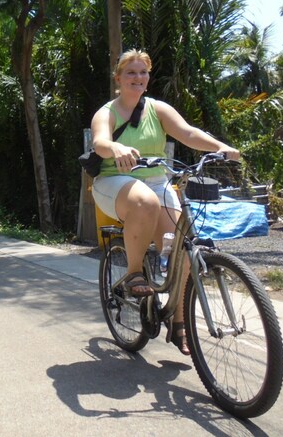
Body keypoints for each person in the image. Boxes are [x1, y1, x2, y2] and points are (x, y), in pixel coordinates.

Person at [89, 49, 239, 355]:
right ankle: (134, 273)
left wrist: (221, 147)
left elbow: (188, 133)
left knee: (181, 246)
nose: (138, 78)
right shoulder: (107, 112)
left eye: (143, 72)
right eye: (130, 72)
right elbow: (100, 142)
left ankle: (179, 323)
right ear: (118, 78)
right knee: (144, 202)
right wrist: (115, 148)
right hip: (113, 182)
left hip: (156, 181)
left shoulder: (157, 109)